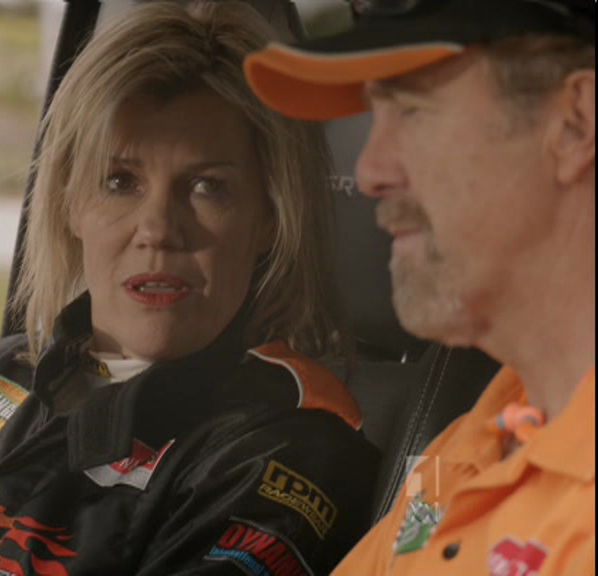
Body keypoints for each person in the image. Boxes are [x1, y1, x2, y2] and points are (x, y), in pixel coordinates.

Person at [0, 3, 379, 575]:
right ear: (68, 203)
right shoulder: (8, 372)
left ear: (270, 219)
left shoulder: (284, 453)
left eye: (207, 187)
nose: (157, 229)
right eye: (119, 181)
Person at [244, 0, 595, 574]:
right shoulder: (475, 443)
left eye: (413, 112)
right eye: (374, 115)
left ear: (575, 123)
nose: (368, 173)